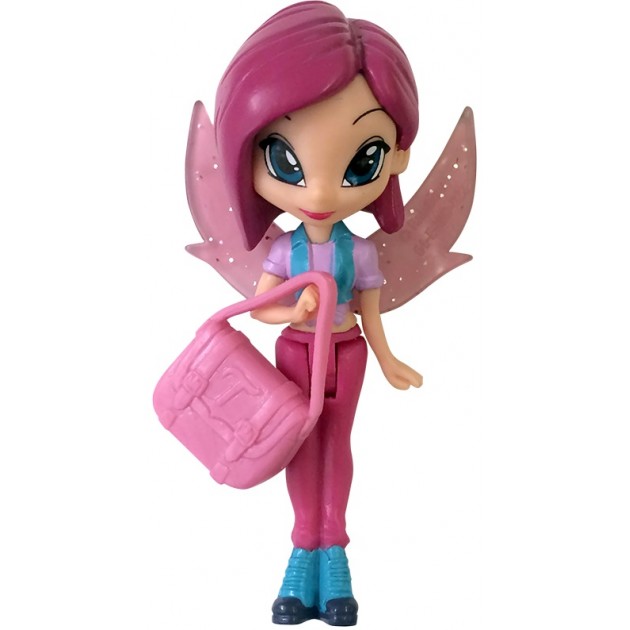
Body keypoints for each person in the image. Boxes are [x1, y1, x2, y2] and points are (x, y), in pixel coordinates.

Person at [209, 2, 423, 625]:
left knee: (337, 444)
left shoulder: (361, 252)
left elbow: (372, 312)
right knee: (300, 447)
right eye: (285, 159)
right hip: (296, 353)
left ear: (396, 158)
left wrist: (387, 357)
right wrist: (292, 309)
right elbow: (261, 313)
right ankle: (303, 552)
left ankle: (336, 552)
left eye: (362, 160)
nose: (322, 192)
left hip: (347, 354)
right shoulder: (283, 250)